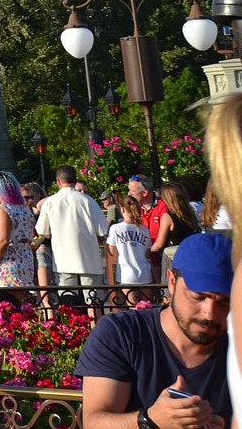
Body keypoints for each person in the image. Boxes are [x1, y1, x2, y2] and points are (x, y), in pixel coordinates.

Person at [77, 231, 231, 429]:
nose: (209, 313)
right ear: (172, 282)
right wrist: (149, 421)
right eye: (198, 296)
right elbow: (94, 422)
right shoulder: (121, 334)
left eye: (224, 302)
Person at [38, 166, 110, 305]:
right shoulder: (88, 200)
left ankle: (71, 327)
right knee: (94, 303)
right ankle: (95, 325)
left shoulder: (50, 202)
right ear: (75, 179)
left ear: (58, 181)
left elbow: (43, 232)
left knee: (68, 305)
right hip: (89, 260)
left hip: (63, 260)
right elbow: (102, 232)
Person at [155, 182, 201, 278]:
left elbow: (159, 244)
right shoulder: (191, 214)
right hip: (190, 255)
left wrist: (148, 251)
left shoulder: (167, 217)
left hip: (173, 256)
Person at [109, 198, 157, 288]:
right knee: (146, 302)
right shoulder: (144, 230)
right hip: (145, 274)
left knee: (130, 302)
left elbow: (112, 252)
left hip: (126, 275)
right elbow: (148, 253)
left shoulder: (115, 228)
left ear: (122, 209)